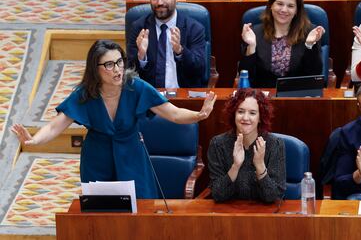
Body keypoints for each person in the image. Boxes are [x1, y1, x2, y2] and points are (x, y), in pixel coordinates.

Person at [11, 40, 217, 199]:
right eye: (109, 65)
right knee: (102, 216)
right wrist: (35, 140)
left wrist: (198, 115)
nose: (117, 69)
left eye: (119, 62)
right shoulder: (86, 93)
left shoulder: (136, 87)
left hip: (133, 157)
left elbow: (172, 113)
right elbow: (57, 125)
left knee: (141, 214)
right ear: (95, 68)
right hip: (97, 160)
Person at [126, 0, 206, 88]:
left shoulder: (194, 28)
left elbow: (199, 70)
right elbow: (130, 73)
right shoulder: (139, 27)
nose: (159, 2)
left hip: (183, 95)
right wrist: (141, 56)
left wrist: (180, 51)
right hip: (151, 97)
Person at [207, 89, 286, 203]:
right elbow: (218, 195)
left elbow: (274, 197)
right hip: (229, 214)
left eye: (252, 113)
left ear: (260, 118)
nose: (245, 118)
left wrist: (260, 166)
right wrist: (235, 166)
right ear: (234, 114)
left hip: (264, 215)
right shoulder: (218, 144)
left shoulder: (275, 144)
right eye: (240, 111)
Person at [240, 0, 325, 88]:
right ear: (271, 5)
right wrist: (251, 46)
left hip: (297, 95)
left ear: (297, 11)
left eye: (290, 6)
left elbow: (314, 77)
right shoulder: (254, 33)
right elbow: (246, 78)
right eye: (280, 4)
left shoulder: (309, 32)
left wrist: (309, 45)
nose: (284, 10)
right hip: (263, 96)